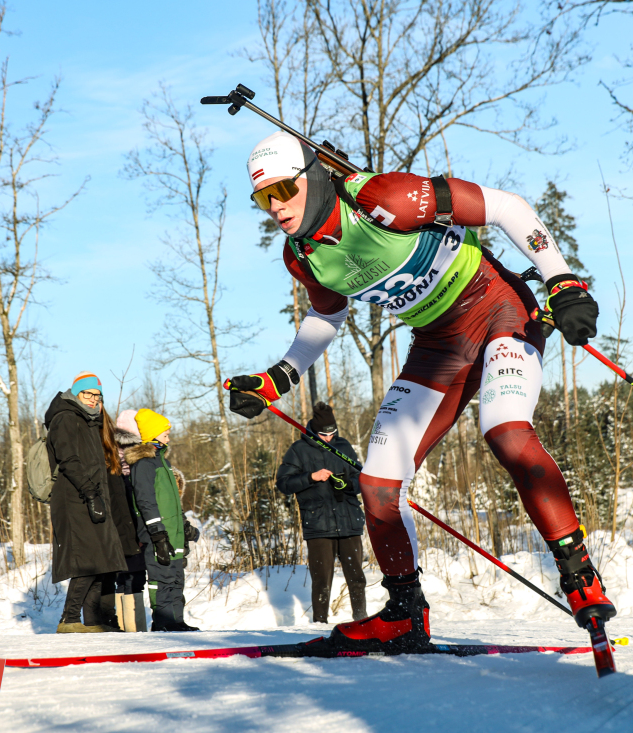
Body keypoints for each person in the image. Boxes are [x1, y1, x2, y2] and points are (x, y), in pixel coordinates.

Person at [226, 131, 613, 652]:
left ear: (313, 178)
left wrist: (562, 281)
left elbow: (505, 207)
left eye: (282, 190)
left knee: (505, 431)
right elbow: (326, 314)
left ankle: (579, 574)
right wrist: (279, 377)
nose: (275, 207)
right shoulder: (302, 256)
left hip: (499, 310)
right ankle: (405, 612)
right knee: (377, 482)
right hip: (438, 344)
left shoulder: (387, 198)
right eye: (262, 198)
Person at [46, 372, 128, 633]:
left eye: (97, 395)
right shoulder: (66, 418)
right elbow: (68, 460)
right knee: (87, 559)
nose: (93, 399)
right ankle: (68, 619)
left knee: (102, 559)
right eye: (88, 394)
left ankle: (92, 620)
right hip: (75, 499)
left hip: (92, 495)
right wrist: (90, 493)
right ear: (76, 393)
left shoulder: (90, 421)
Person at [276, 402, 367, 623]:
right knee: (321, 580)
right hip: (318, 525)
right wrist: (311, 477)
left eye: (332, 433)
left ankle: (361, 620)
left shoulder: (344, 446)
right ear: (313, 431)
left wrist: (349, 484)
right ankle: (320, 623)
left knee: (356, 577)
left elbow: (362, 479)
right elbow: (283, 484)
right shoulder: (298, 450)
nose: (328, 438)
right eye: (323, 435)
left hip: (348, 522)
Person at [124, 408, 201, 632]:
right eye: (165, 433)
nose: (168, 437)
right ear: (153, 434)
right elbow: (145, 501)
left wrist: (183, 525)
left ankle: (176, 620)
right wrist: (157, 533)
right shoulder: (144, 464)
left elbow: (173, 502)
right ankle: (164, 622)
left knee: (176, 577)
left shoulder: (162, 463)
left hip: (173, 531)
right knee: (162, 577)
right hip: (158, 533)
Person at [107, 409, 146, 632]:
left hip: (116, 525)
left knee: (122, 577)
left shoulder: (109, 453)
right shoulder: (136, 458)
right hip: (132, 524)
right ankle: (135, 629)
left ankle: (126, 627)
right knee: (135, 576)